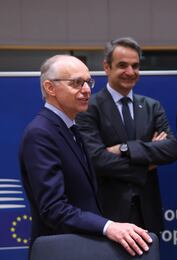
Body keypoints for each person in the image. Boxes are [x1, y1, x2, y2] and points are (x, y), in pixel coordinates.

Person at [19, 55, 153, 256]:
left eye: (88, 82)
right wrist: (108, 227)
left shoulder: (72, 127)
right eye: (76, 83)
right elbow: (53, 208)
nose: (87, 90)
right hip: (61, 251)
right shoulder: (41, 133)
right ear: (50, 88)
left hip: (83, 248)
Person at [76, 37, 177, 235]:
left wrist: (125, 148)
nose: (130, 72)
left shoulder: (151, 106)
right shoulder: (89, 107)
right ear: (107, 67)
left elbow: (171, 150)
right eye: (122, 65)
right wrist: (146, 163)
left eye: (135, 66)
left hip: (148, 214)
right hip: (108, 215)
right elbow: (96, 159)